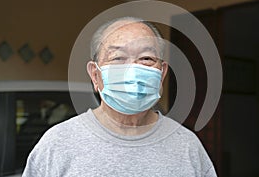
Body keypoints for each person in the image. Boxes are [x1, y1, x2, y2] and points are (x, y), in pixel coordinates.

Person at [22, 17, 217, 177]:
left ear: (162, 73)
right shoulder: (57, 144)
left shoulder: (187, 145)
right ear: (95, 75)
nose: (132, 70)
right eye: (118, 58)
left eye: (146, 59)